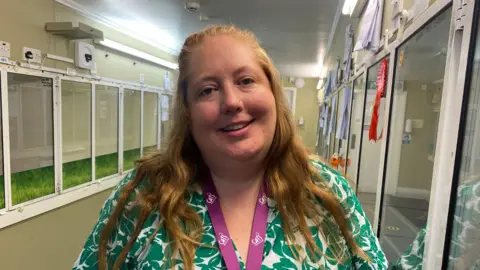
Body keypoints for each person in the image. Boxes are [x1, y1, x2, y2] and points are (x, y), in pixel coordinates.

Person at [73, 25, 387, 270]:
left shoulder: (324, 188)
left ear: (273, 92)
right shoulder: (143, 196)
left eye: (246, 81)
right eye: (208, 90)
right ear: (188, 111)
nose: (232, 102)